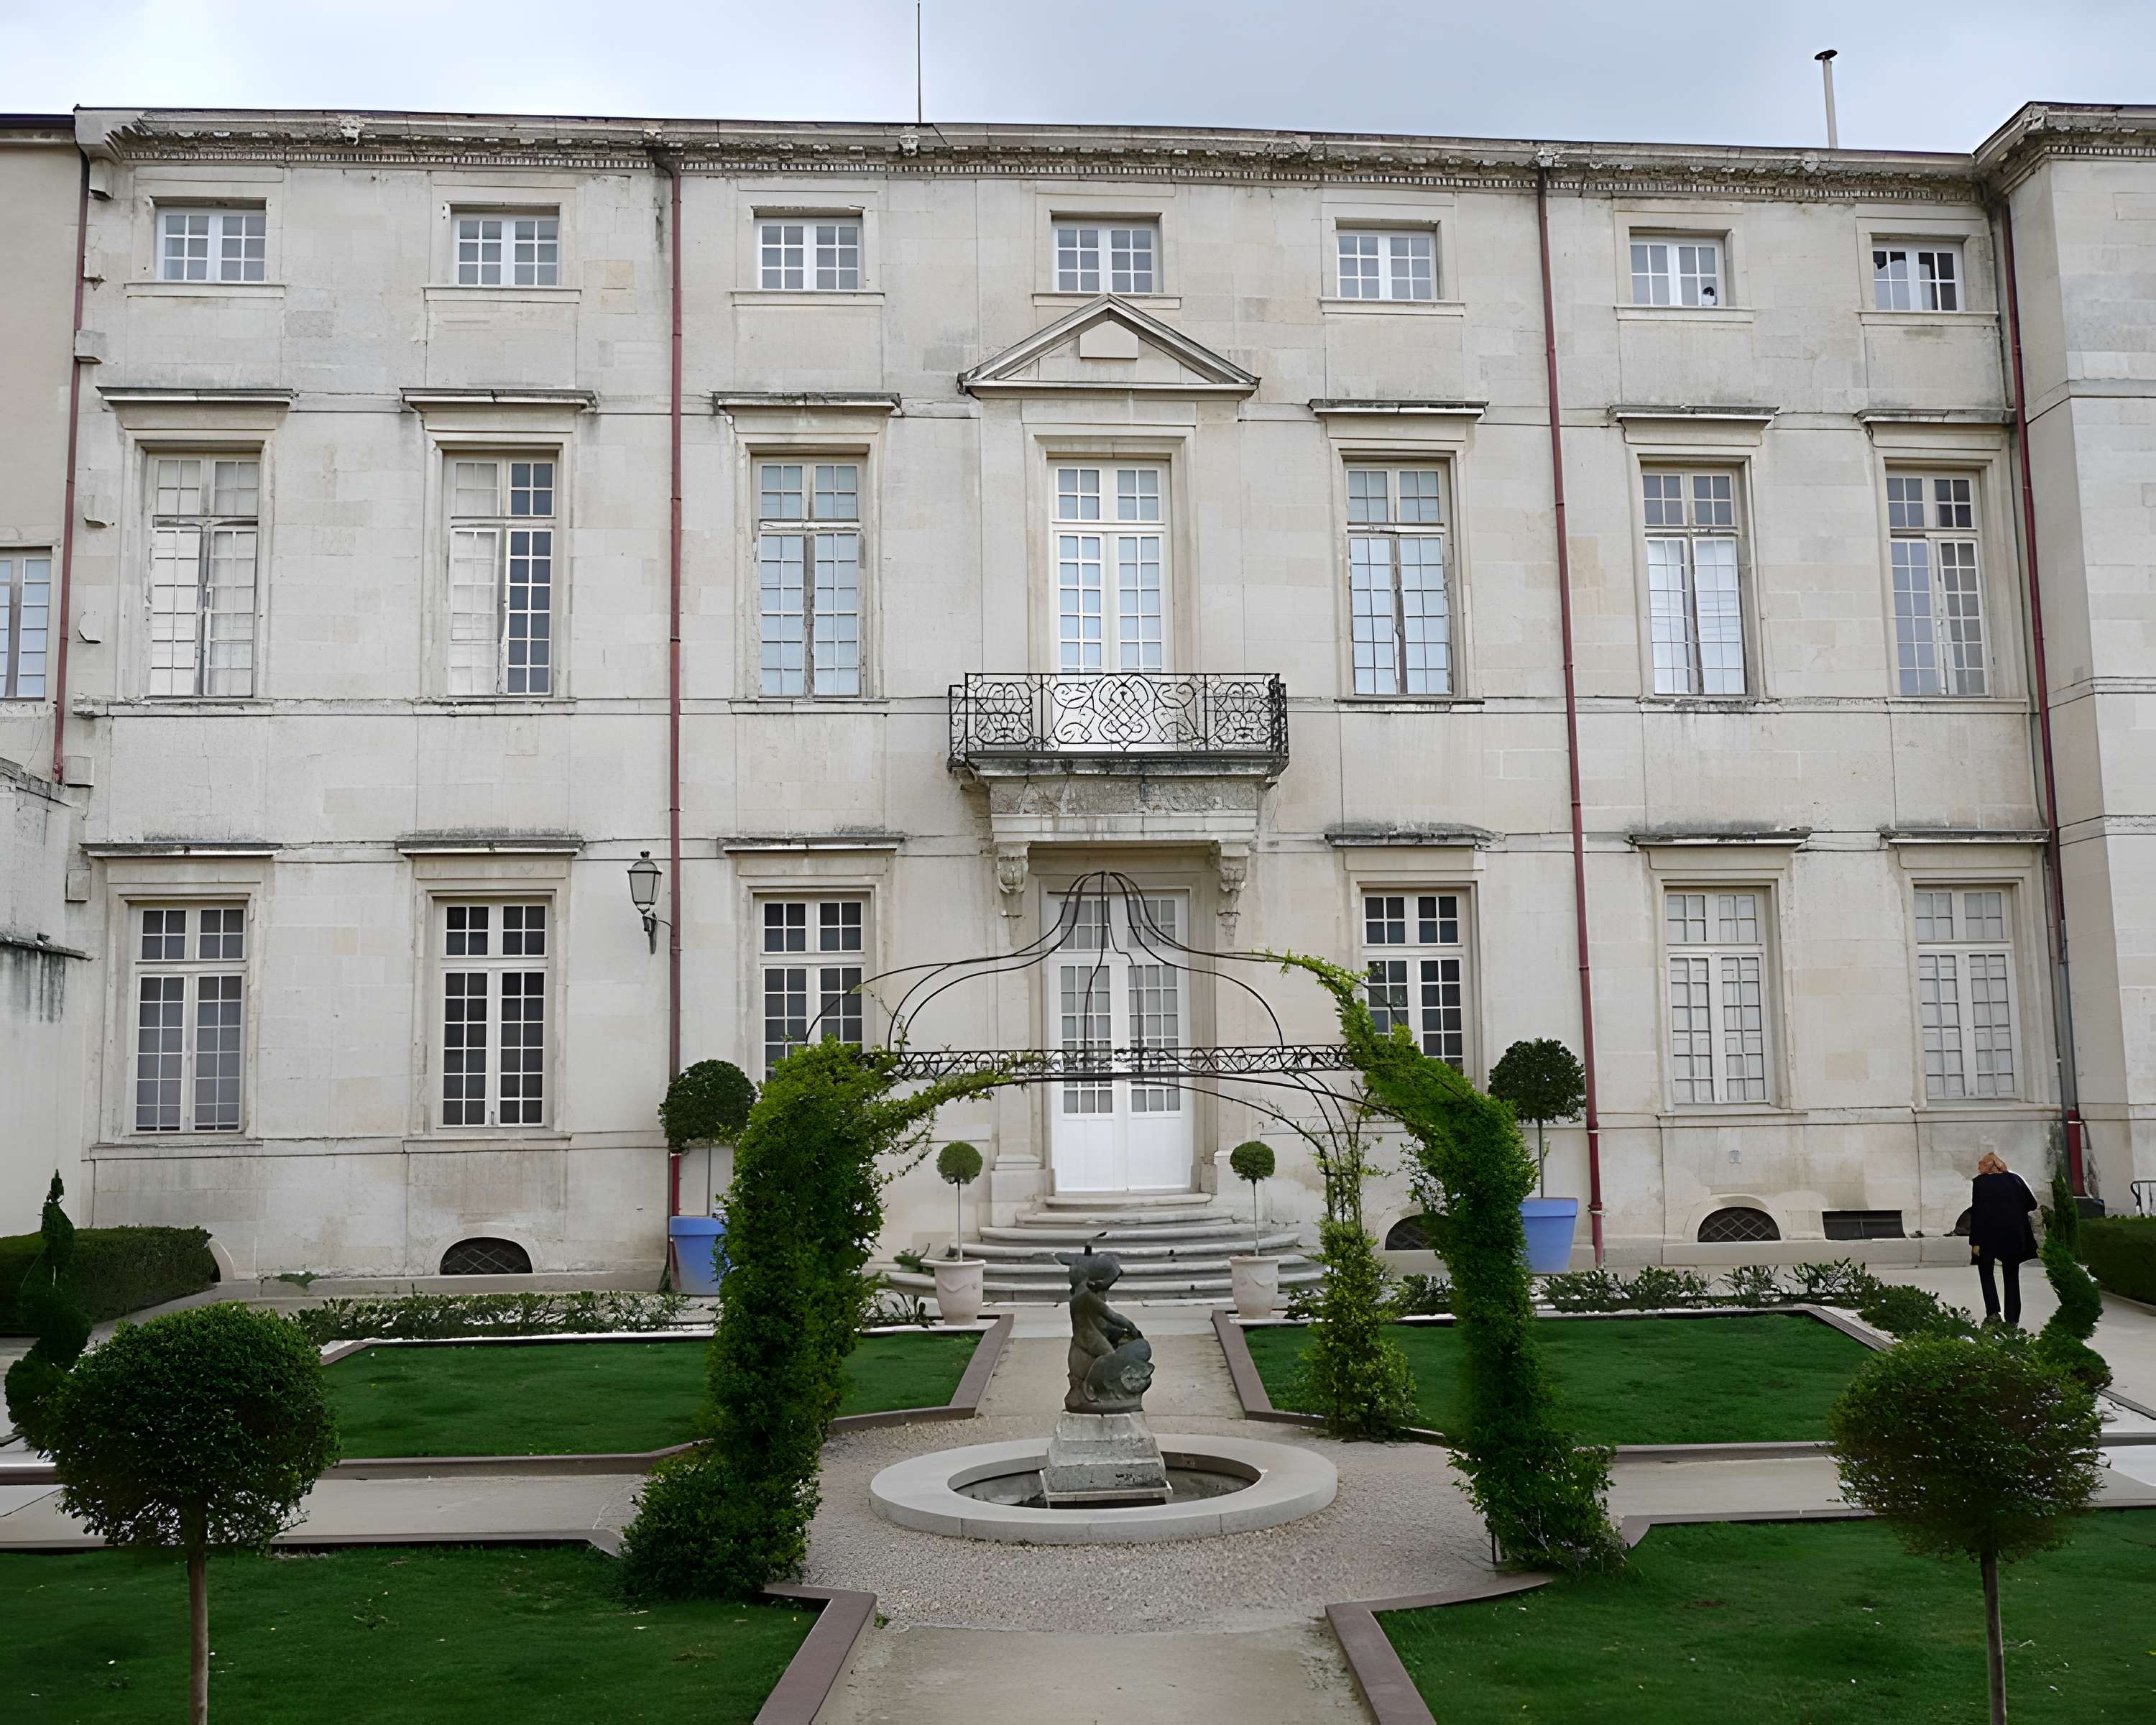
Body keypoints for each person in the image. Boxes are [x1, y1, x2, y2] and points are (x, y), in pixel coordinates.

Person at [1967, 1151, 2040, 1327]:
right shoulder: (2015, 1180)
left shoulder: (1980, 1183)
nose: (1978, 1167)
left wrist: (1975, 1242)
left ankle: (1993, 1314)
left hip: (1987, 1236)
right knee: (2011, 1276)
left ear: (1989, 1166)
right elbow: (2032, 1204)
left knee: (1986, 1273)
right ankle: (2012, 1320)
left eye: (1981, 1164)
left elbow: (1977, 1213)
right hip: (2013, 1236)